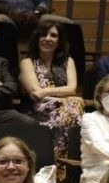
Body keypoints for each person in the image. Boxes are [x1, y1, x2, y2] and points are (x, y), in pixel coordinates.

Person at [18, 17, 85, 173]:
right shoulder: (28, 62)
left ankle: (59, 172)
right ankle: (64, 174)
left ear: (59, 41)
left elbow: (72, 88)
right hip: (40, 111)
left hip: (65, 112)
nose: (48, 39)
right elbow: (36, 93)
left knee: (70, 111)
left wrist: (47, 91)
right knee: (73, 109)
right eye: (44, 35)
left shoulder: (68, 61)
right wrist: (62, 95)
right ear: (37, 38)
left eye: (53, 35)